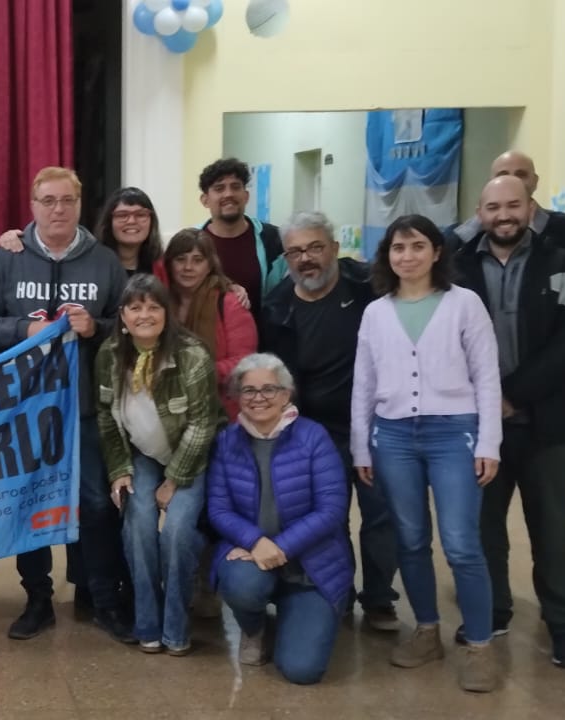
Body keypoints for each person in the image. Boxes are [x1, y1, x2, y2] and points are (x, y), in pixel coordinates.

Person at [0, 166, 129, 642]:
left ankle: (101, 598)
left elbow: (130, 323)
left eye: (67, 200)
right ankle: (37, 598)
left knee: (95, 502)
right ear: (33, 206)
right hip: (24, 409)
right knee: (28, 501)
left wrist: (96, 327)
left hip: (85, 407)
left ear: (80, 205)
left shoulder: (104, 262)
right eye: (48, 201)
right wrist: (25, 329)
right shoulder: (7, 258)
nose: (58, 209)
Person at [351, 214, 502, 693]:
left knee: (461, 543)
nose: (407, 256)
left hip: (453, 433)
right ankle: (426, 629)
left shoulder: (464, 304)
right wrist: (361, 446)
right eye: (398, 248)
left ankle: (479, 645)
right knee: (410, 538)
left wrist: (489, 441)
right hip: (392, 436)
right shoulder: (376, 312)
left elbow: (487, 376)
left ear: (437, 252)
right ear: (387, 256)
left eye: (417, 246)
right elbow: (364, 385)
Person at [453, 176, 565, 668]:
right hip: (478, 427)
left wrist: (512, 395)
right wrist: (487, 400)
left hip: (547, 423)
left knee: (557, 532)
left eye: (513, 205)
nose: (503, 215)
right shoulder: (456, 267)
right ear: (480, 212)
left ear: (530, 208)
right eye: (493, 207)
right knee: (482, 528)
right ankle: (491, 611)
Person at [259, 211, 400, 633]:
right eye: (295, 252)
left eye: (315, 247)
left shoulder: (369, 287)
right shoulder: (277, 306)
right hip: (315, 433)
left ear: (335, 248)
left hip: (374, 425)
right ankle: (338, 594)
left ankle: (379, 598)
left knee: (381, 514)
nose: (306, 258)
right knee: (329, 518)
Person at [96, 273, 222, 654]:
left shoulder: (192, 355)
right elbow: (106, 417)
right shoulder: (109, 355)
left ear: (167, 313)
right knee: (138, 525)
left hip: (191, 456)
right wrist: (119, 470)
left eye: (153, 307)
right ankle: (147, 623)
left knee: (177, 533)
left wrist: (174, 479)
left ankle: (176, 629)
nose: (144, 315)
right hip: (144, 455)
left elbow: (202, 425)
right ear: (122, 316)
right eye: (135, 308)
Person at [208, 353, 353, 685]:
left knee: (302, 670)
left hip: (310, 567)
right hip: (251, 556)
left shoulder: (314, 437)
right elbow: (219, 510)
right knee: (243, 586)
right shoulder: (227, 441)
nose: (258, 398)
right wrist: (255, 541)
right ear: (237, 397)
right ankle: (255, 627)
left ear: (286, 394)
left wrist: (280, 546)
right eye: (248, 390)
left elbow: (331, 509)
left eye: (269, 389)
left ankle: (295, 615)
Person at [162, 228, 257, 419]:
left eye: (197, 260)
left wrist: (196, 374)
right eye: (180, 259)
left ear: (209, 265)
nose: (188, 267)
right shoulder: (159, 302)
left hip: (220, 412)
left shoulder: (230, 302)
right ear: (169, 264)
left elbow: (244, 361)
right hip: (169, 411)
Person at [446, 151, 565, 264]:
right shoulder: (458, 239)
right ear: (490, 182)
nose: (512, 180)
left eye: (521, 174)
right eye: (502, 174)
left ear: (535, 182)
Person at [196, 158, 286, 314]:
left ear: (246, 196)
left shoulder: (273, 239)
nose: (228, 194)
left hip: (262, 329)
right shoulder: (192, 242)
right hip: (205, 329)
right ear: (205, 200)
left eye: (235, 187)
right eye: (219, 188)